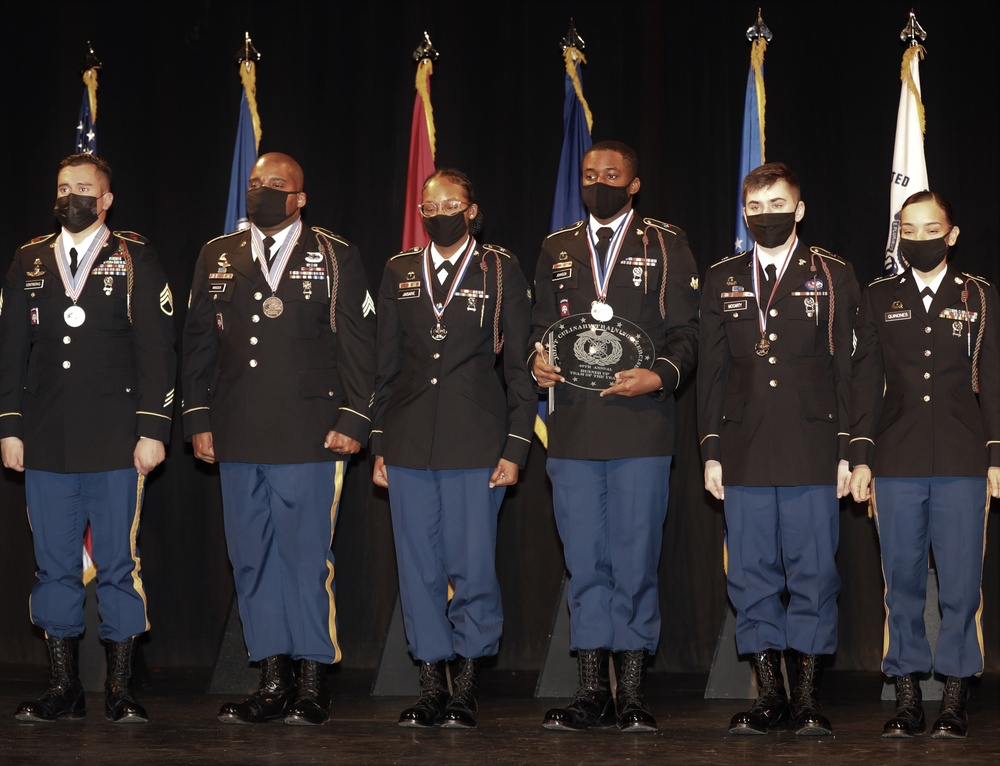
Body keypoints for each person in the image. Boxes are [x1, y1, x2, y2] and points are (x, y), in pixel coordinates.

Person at [181, 152, 375, 726]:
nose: (262, 191)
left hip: (310, 432)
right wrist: (198, 418)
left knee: (305, 558)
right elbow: (197, 345)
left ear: (300, 198)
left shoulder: (335, 254)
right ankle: (270, 679)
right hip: (236, 430)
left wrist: (354, 418)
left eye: (276, 185)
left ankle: (313, 680)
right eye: (255, 182)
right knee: (250, 559)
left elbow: (358, 344)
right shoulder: (218, 254)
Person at [530, 140, 699, 732]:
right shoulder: (557, 247)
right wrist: (537, 361)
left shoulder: (666, 243)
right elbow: (537, 328)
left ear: (633, 184)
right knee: (584, 563)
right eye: (588, 173)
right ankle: (589, 692)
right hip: (572, 431)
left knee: (633, 561)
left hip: (640, 429)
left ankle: (631, 693)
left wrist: (659, 375)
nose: (597, 180)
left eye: (611, 174)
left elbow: (686, 332)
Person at [0, 153, 176, 723]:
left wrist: (153, 429)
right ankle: (63, 687)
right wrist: (10, 425)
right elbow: (10, 354)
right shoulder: (28, 258)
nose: (69, 196)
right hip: (46, 438)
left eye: (81, 188)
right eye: (61, 187)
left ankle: (120, 689)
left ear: (105, 200)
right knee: (54, 564)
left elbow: (156, 350)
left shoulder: (135, 256)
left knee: (118, 563)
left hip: (116, 440)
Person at [697, 162, 859, 736]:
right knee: (750, 575)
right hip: (742, 447)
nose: (767, 216)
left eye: (778, 205)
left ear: (800, 209)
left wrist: (848, 449)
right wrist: (710, 449)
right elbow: (712, 371)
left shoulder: (832, 273)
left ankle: (809, 697)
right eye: (757, 208)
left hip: (814, 445)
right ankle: (771, 697)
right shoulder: (722, 277)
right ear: (745, 213)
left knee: (814, 574)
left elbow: (848, 366)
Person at [371, 169, 535, 729]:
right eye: (429, 203)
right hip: (410, 439)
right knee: (417, 567)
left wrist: (516, 445)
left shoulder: (500, 267)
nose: (438, 210)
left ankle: (466, 684)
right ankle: (430, 683)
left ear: (471, 210)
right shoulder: (399, 270)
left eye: (451, 203)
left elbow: (519, 368)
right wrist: (381, 443)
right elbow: (385, 366)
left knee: (472, 567)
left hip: (477, 440)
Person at [848, 191, 999, 739]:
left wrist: (996, 454)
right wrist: (861, 456)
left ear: (952, 234)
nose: (920, 239)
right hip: (897, 458)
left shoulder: (978, 296)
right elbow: (865, 380)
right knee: (902, 584)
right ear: (899, 236)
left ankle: (955, 699)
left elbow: (995, 378)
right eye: (908, 230)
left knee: (961, 585)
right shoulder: (879, 294)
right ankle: (908, 696)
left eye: (931, 229)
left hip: (963, 458)